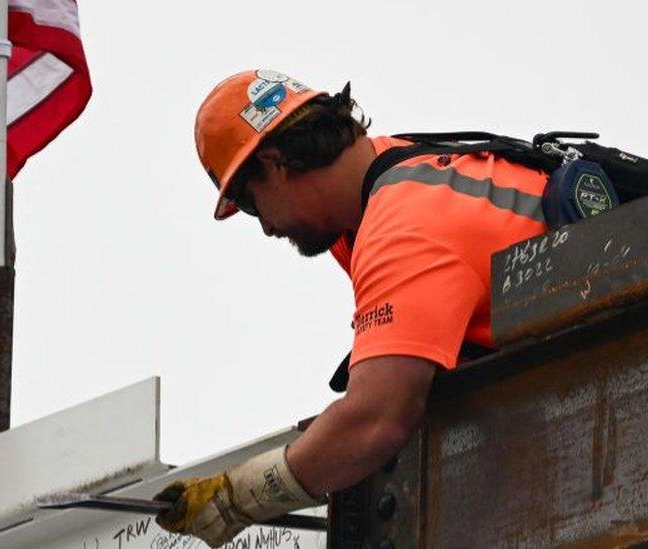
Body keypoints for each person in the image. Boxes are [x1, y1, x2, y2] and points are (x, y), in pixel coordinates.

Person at [153, 69, 550, 547]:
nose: (265, 229)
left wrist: (238, 498)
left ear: (275, 163)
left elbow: (377, 418)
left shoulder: (401, 225)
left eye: (251, 204)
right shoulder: (393, 173)